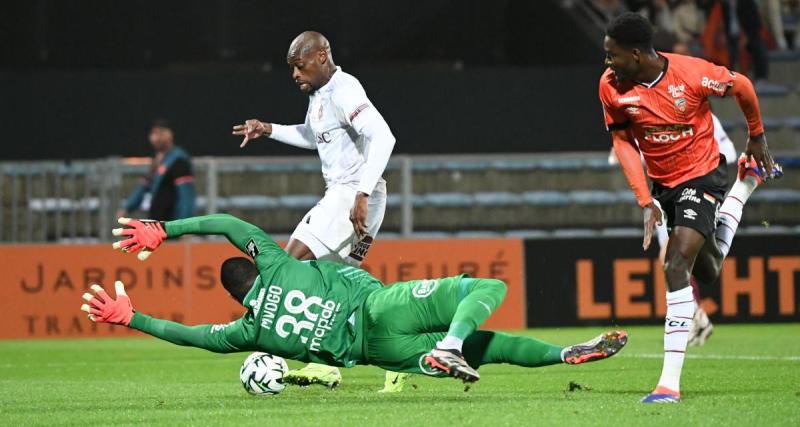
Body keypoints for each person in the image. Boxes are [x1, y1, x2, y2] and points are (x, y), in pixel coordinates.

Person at [85, 214, 628, 384]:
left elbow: (192, 336)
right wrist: (169, 228)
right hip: (378, 308)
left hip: (376, 355)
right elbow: (228, 223)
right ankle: (456, 344)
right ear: (254, 263)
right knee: (485, 289)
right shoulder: (277, 260)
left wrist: (133, 317)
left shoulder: (245, 332)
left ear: (235, 297)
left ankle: (558, 355)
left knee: (490, 349)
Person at [599, 12, 781, 403]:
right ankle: (747, 185)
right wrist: (645, 200)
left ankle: (668, 384)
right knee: (709, 270)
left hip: (703, 174)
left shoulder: (691, 74)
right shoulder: (612, 86)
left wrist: (757, 136)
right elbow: (622, 142)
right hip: (663, 185)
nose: (607, 64)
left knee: (675, 263)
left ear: (635, 54)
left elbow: (743, 85)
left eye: (612, 56)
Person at [231, 31, 400, 391]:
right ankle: (391, 356)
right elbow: (315, 136)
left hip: (351, 196)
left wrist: (361, 194)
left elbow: (384, 137)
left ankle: (310, 359)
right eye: (291, 68)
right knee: (343, 291)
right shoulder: (322, 96)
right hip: (357, 198)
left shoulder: (345, 90)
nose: (295, 75)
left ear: (322, 56)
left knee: (286, 271)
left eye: (300, 66)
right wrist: (268, 129)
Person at [607, 112, 737, 347]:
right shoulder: (645, 116)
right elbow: (619, 156)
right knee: (672, 260)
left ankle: (693, 318)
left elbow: (729, 153)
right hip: (664, 194)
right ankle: (695, 317)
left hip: (699, 186)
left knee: (678, 257)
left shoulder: (703, 116)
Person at [117, 120, 196, 221]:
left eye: (160, 133)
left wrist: (185, 225)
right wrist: (127, 207)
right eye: (153, 133)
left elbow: (186, 196)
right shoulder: (157, 159)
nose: (155, 138)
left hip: (172, 225)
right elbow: (145, 186)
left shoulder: (178, 160)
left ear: (169, 134)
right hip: (156, 223)